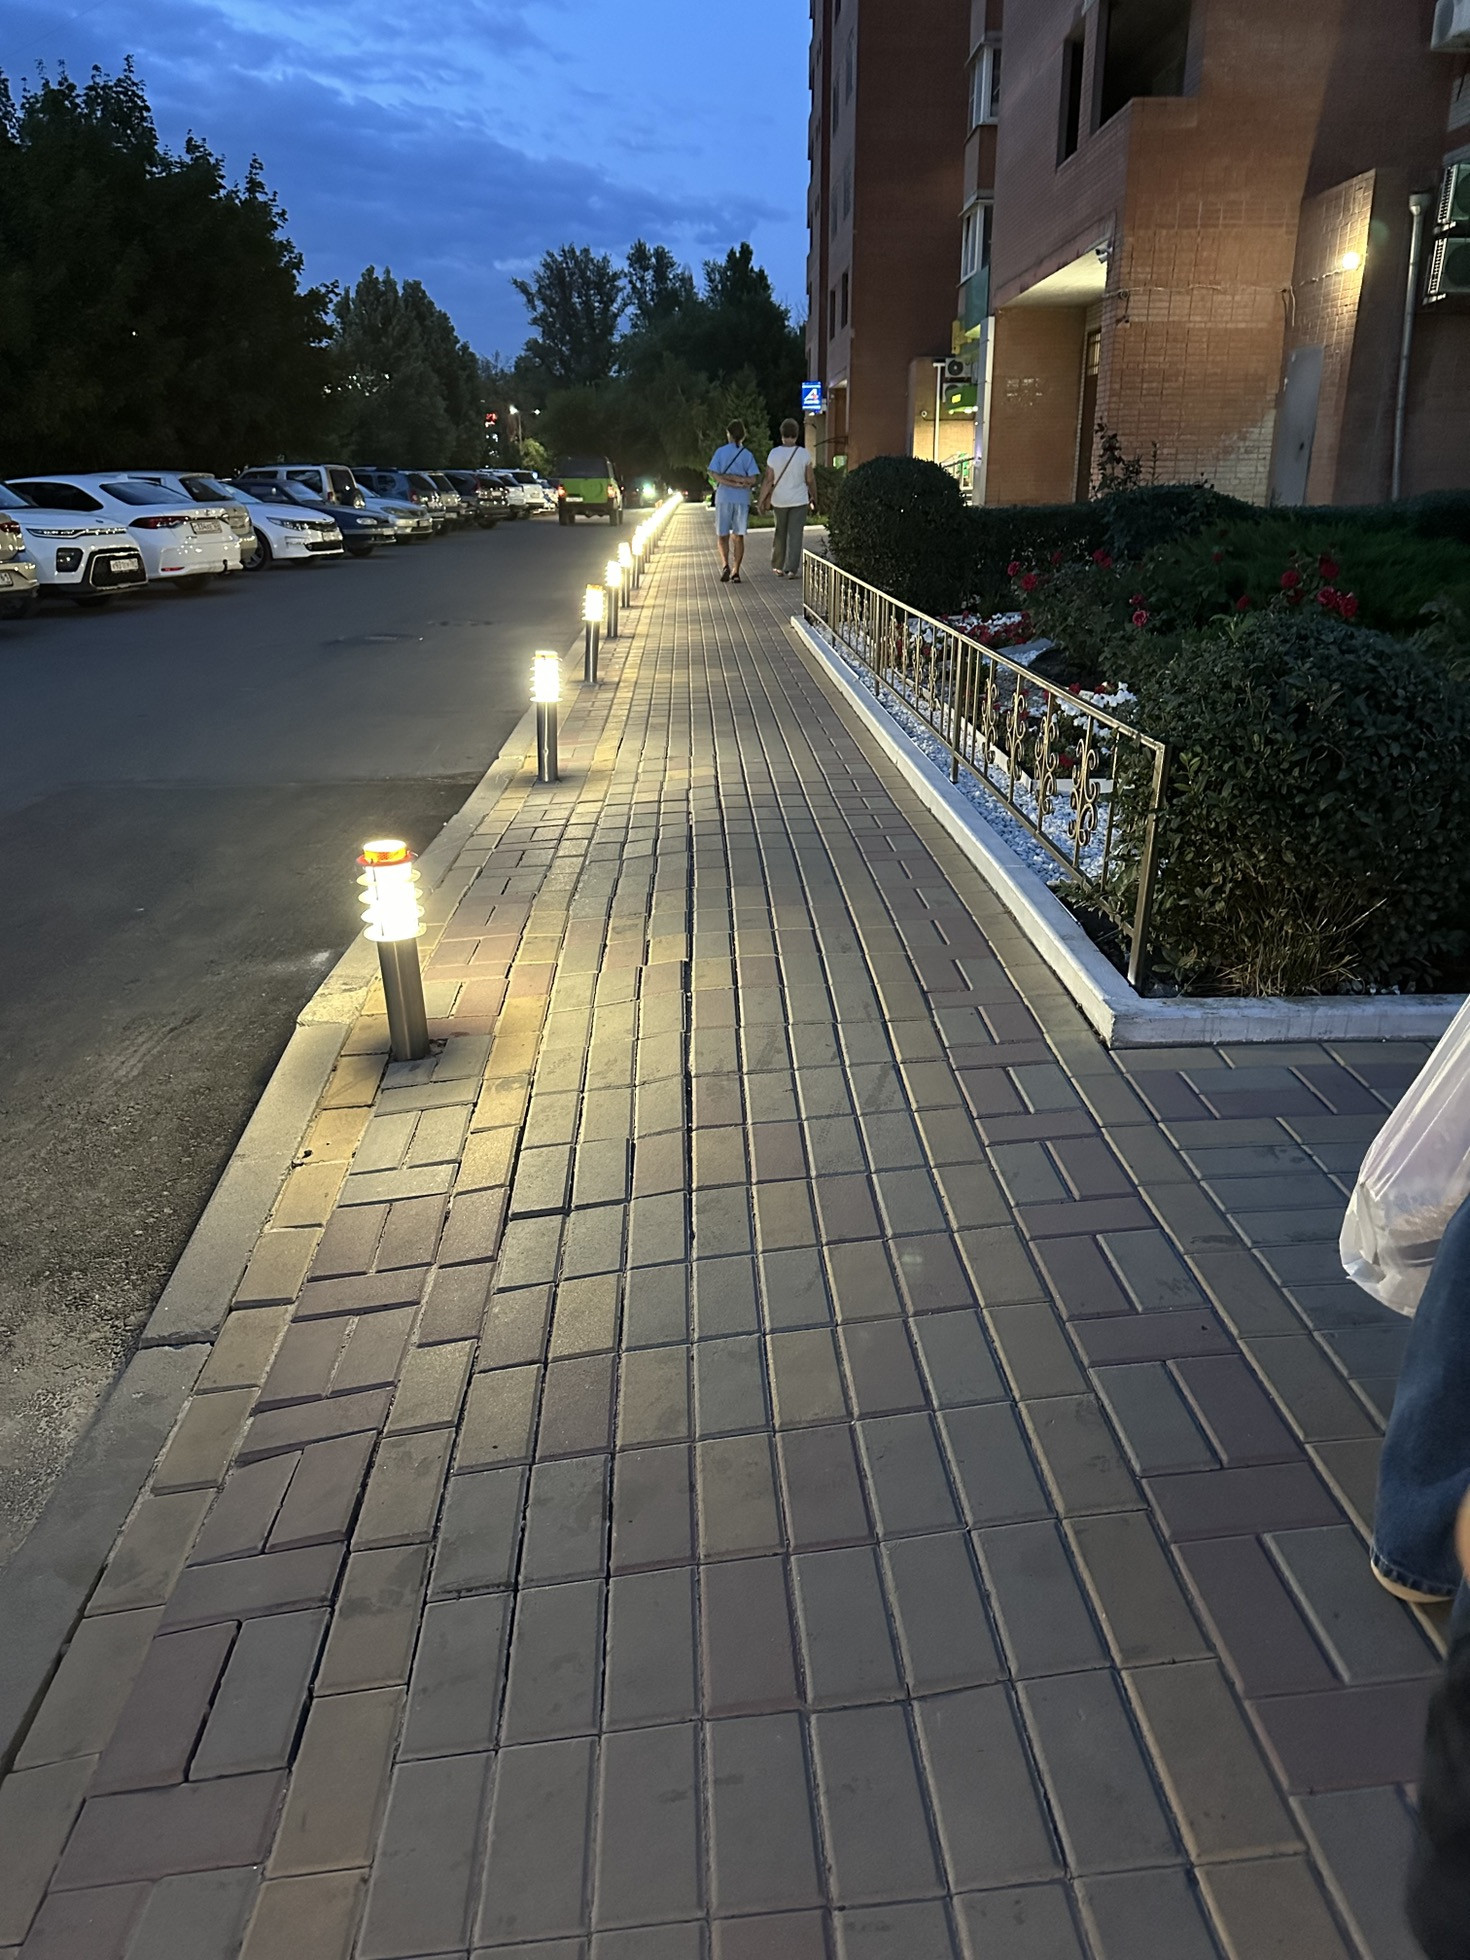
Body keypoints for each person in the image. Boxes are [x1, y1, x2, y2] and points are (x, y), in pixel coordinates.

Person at [759, 418, 817, 579]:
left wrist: (761, 500)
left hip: (780, 500)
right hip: (799, 500)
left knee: (780, 532)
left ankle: (778, 566)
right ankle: (792, 569)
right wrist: (814, 495)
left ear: (782, 434)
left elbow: (769, 480)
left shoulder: (774, 454)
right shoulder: (804, 454)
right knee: (795, 534)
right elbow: (810, 479)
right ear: (797, 434)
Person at [706, 421, 762, 582]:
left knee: (722, 534)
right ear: (743, 436)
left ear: (729, 434)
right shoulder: (747, 455)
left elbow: (713, 473)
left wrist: (728, 480)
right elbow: (753, 478)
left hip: (724, 497)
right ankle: (736, 570)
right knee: (738, 535)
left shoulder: (720, 452)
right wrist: (739, 481)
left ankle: (725, 565)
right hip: (741, 498)